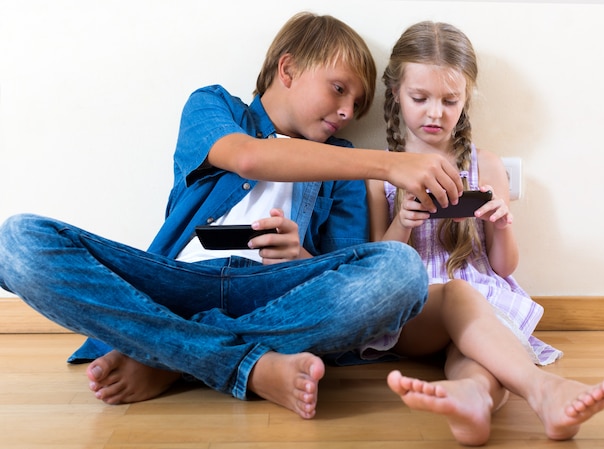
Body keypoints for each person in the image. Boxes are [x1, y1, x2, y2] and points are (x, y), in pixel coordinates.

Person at [0, 13, 465, 420]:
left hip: (275, 295)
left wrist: (298, 255)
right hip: (173, 283)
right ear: (288, 68)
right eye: (339, 90)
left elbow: (348, 265)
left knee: (401, 272)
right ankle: (249, 364)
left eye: (356, 105)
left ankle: (169, 358)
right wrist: (388, 163)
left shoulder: (340, 165)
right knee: (17, 240)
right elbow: (246, 158)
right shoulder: (214, 106)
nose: (346, 111)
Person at [367, 21, 604, 445]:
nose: (435, 112)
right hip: (414, 306)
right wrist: (402, 222)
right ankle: (543, 391)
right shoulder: (380, 173)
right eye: (420, 98)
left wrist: (500, 225)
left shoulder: (485, 165)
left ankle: (474, 397)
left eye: (450, 100)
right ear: (395, 94)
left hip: (482, 296)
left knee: (475, 354)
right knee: (462, 300)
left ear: (466, 99)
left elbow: (502, 266)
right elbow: (379, 273)